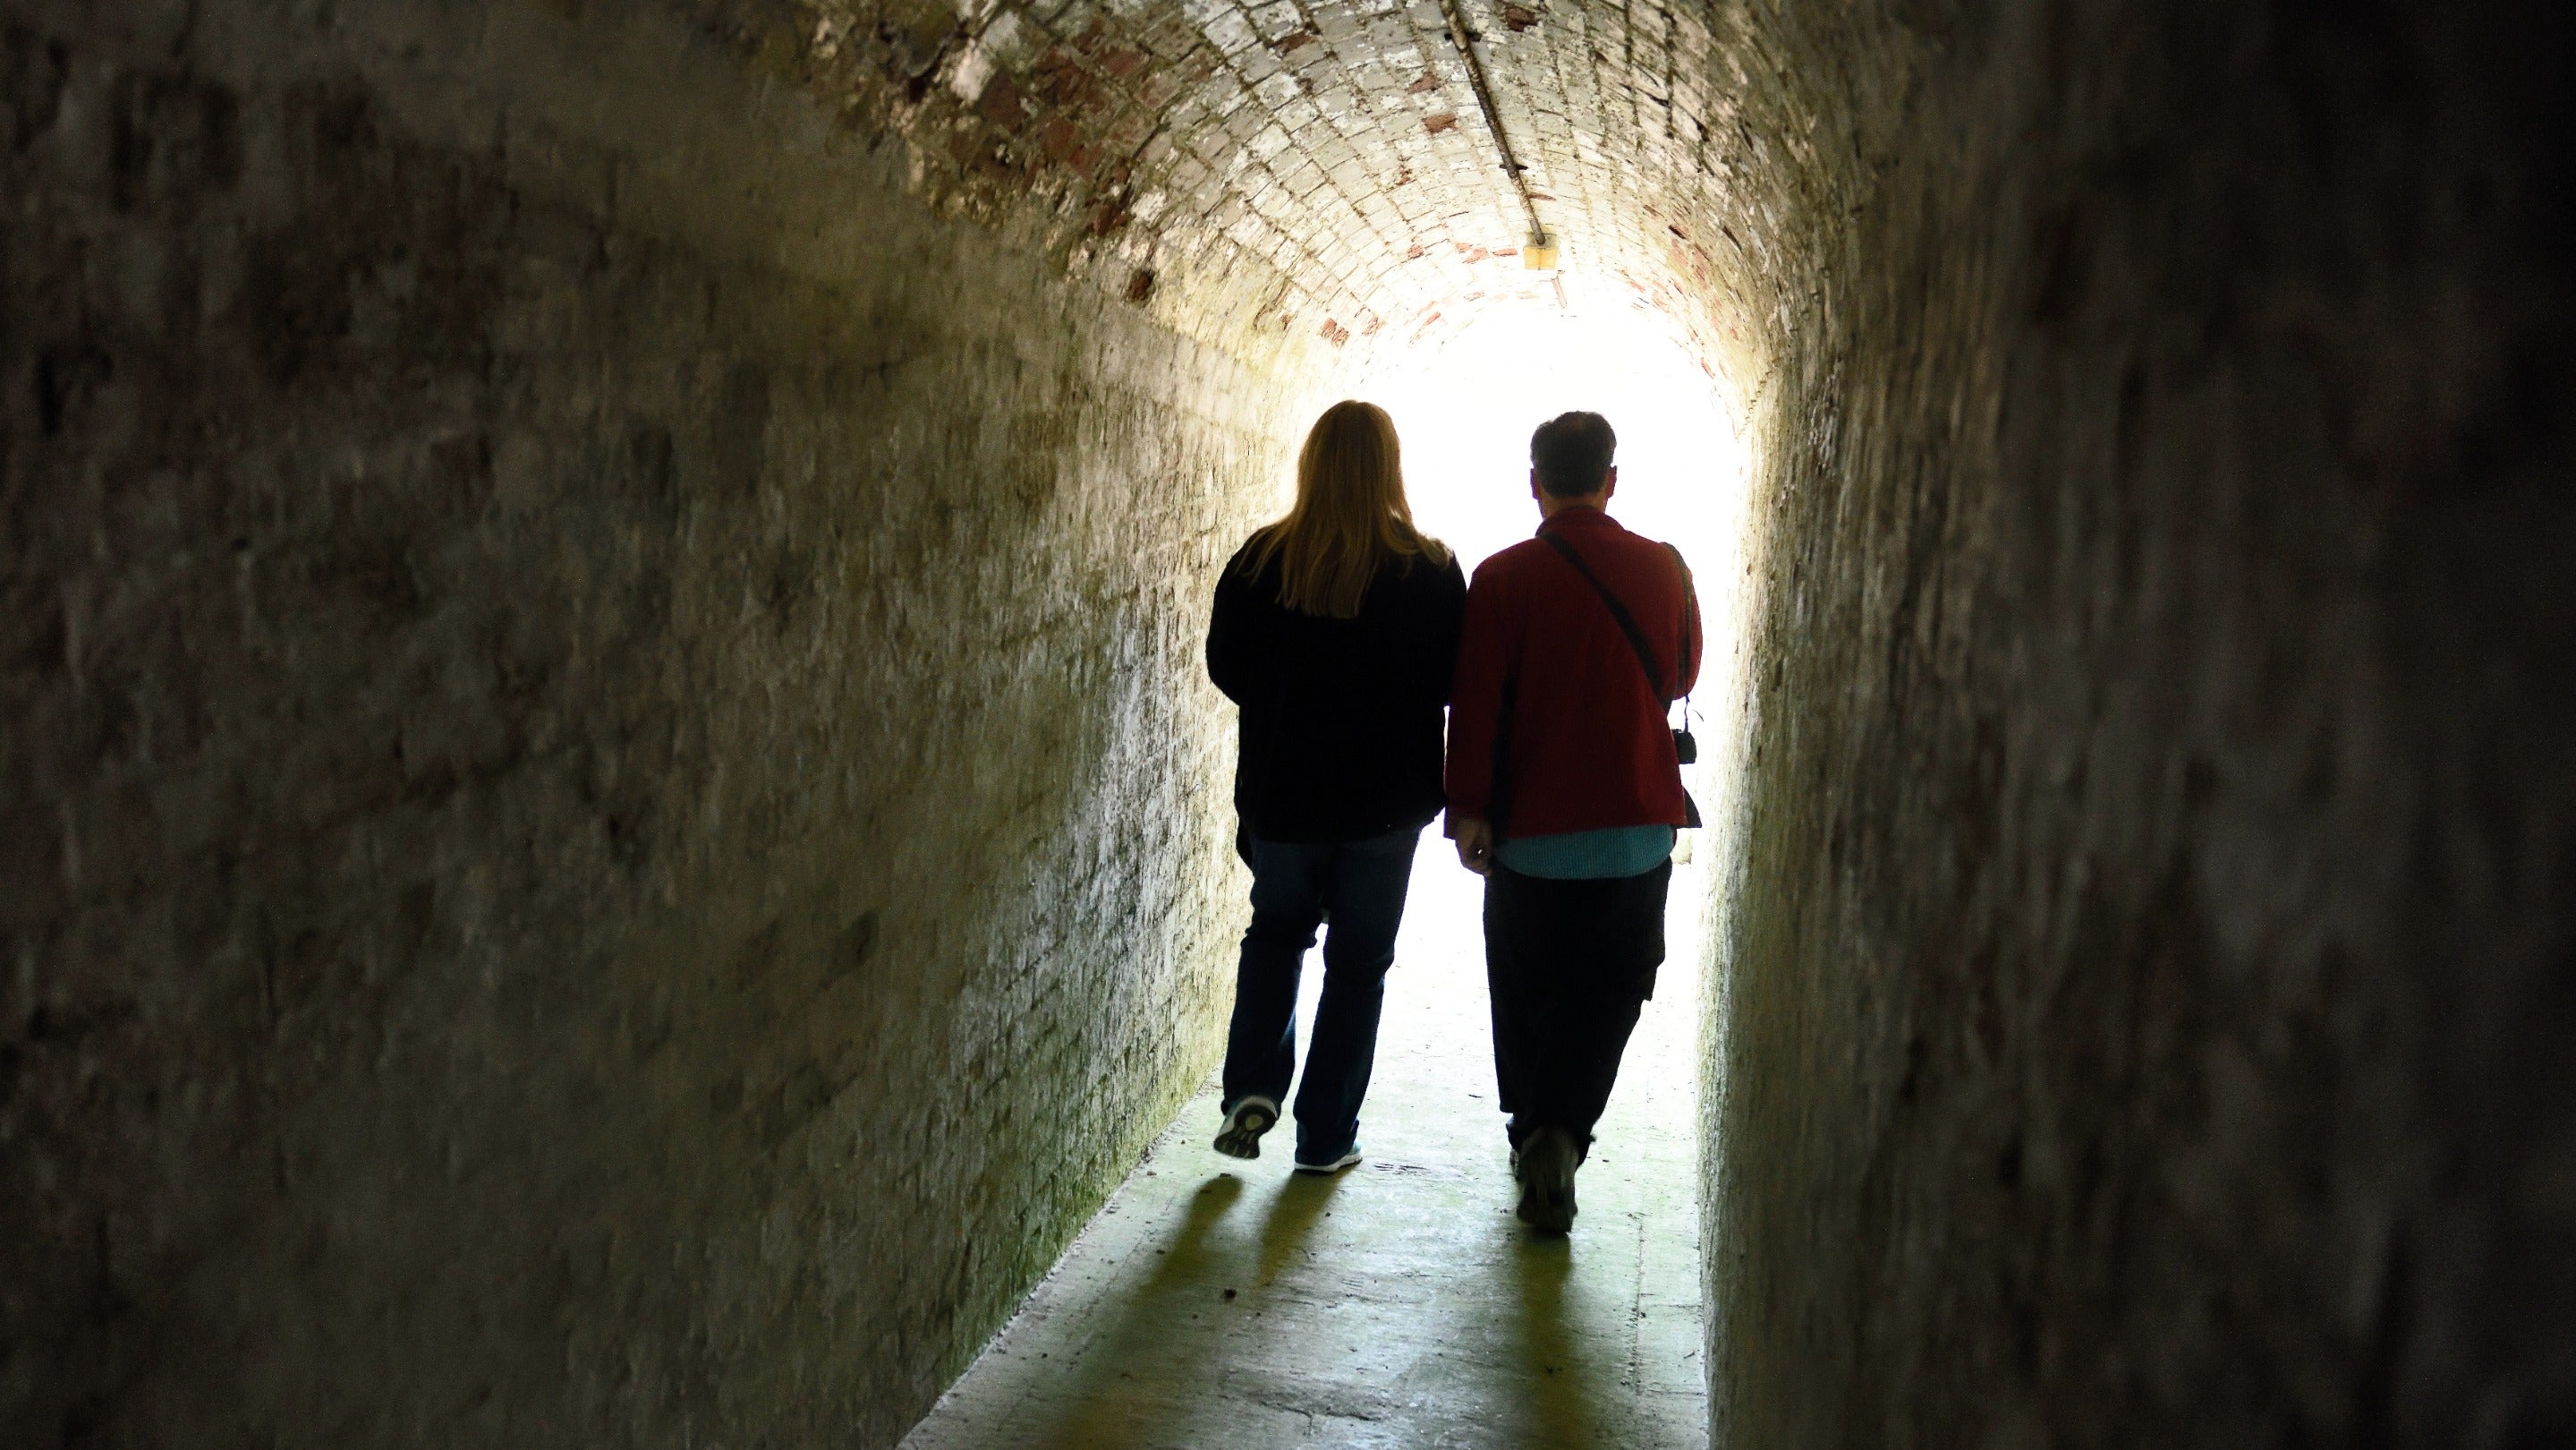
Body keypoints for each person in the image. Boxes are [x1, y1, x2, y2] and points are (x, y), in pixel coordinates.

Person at [1443, 410, 1700, 1232]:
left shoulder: (1501, 576)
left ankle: (1531, 1135)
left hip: (1533, 836)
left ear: (1534, 484)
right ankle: (1567, 1131)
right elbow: (1683, 669)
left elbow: (1474, 704)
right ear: (1611, 481)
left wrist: (1469, 811)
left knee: (1526, 991)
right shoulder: (1664, 569)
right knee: (1611, 990)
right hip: (1634, 830)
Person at [1204, 400, 1467, 1173]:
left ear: (1311, 464)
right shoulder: (1428, 567)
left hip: (1283, 796)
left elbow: (1227, 668)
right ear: (1389, 466)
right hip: (1384, 806)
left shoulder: (1261, 560)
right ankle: (1325, 1136)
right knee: (1358, 965)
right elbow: (1453, 679)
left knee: (1276, 937)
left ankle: (1250, 1090)